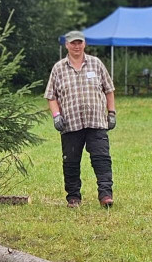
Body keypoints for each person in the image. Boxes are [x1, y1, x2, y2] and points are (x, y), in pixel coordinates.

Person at [45, 31, 117, 209]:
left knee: (101, 158)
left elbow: (109, 90)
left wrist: (112, 113)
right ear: (66, 45)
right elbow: (51, 96)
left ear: (84, 44)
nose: (76, 46)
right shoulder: (59, 68)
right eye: (72, 43)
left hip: (97, 121)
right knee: (71, 161)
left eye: (79, 43)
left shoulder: (96, 63)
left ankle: (106, 194)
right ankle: (73, 197)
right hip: (70, 123)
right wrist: (56, 116)